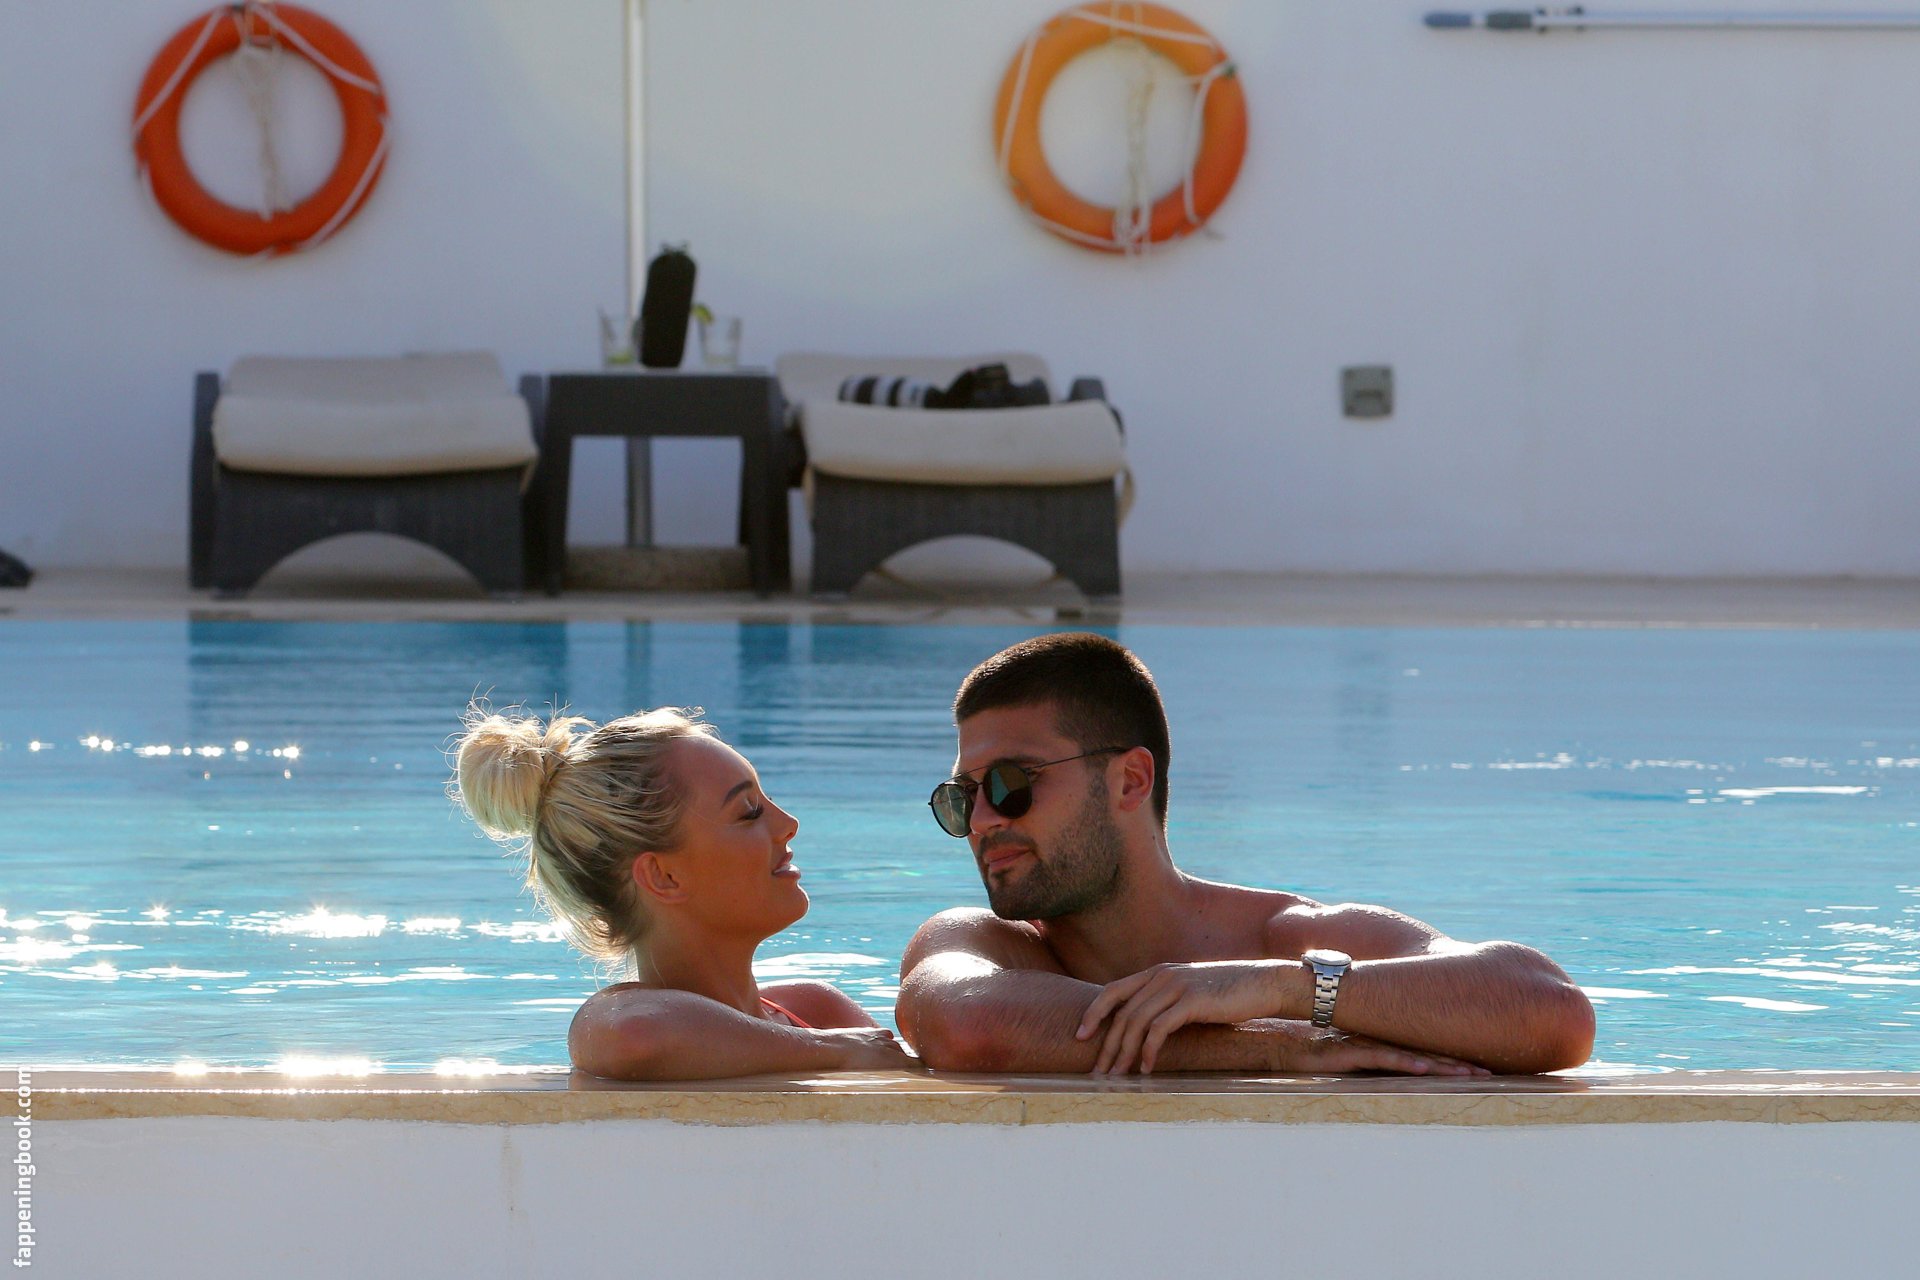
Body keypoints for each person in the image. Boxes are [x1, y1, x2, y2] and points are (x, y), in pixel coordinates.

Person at [897, 633, 1596, 1076]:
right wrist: (1276, 1044)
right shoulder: (984, 945)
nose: (982, 821)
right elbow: (966, 1024)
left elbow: (1554, 1012)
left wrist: (1287, 991)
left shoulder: (1284, 940)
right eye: (962, 797)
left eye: (1010, 784)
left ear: (1130, 781)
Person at [455, 704, 913, 1080]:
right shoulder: (616, 1020)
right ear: (663, 876)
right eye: (749, 812)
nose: (788, 824)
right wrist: (826, 1049)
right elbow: (639, 1036)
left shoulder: (817, 1008)